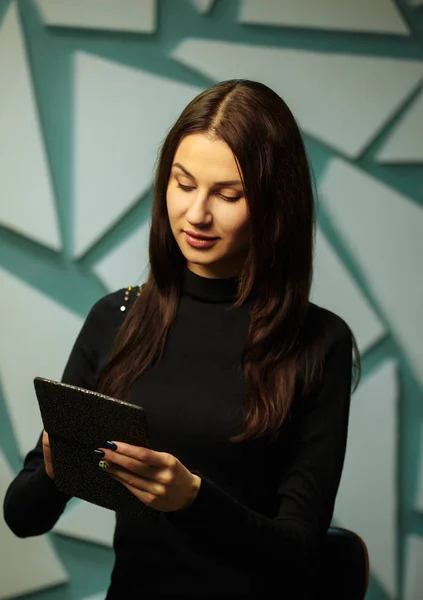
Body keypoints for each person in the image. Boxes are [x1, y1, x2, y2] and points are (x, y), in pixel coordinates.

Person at [3, 79, 360, 599]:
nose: (196, 214)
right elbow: (22, 518)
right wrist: (54, 470)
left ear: (273, 204)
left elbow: (300, 554)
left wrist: (193, 499)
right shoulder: (117, 319)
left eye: (228, 194)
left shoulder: (316, 343)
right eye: (183, 183)